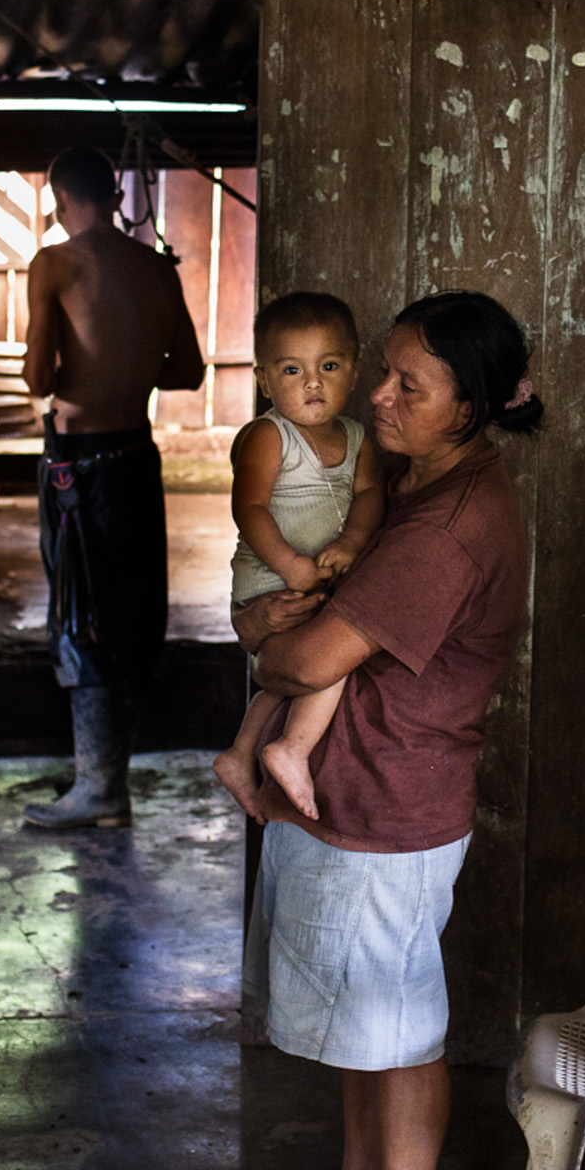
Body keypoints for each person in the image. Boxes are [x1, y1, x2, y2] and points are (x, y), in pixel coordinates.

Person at [236, 290, 543, 1170]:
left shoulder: (446, 528)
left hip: (393, 806)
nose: (376, 396)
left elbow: (306, 660)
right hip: (354, 794)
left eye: (408, 384)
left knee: (401, 1028)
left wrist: (262, 646)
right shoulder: (416, 486)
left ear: (469, 404)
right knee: (366, 1019)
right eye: (383, 372)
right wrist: (267, 633)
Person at [18, 146, 205, 829]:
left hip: (78, 467)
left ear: (59, 198)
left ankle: (98, 789)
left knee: (82, 612)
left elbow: (37, 379)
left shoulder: (55, 263)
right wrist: (128, 359)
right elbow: (187, 372)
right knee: (130, 610)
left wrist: (77, 361)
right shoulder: (156, 267)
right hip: (136, 456)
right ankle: (111, 787)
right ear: (115, 196)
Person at [212, 292, 385, 822]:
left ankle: (241, 755)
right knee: (325, 659)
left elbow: (370, 495)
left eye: (328, 366)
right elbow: (251, 508)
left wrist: (353, 542)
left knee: (292, 667)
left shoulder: (358, 438)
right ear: (266, 380)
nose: (313, 382)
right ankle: (289, 750)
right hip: (272, 576)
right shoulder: (271, 436)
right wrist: (291, 566)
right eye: (292, 370)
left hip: (317, 579)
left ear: (353, 372)